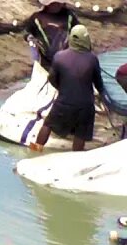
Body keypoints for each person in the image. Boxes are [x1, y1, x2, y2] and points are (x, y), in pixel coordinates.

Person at [31, 24, 106, 152]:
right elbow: (98, 83)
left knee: (48, 124)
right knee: (80, 133)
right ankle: (75, 160)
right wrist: (103, 99)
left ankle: (35, 150)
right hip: (85, 106)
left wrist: (62, 89)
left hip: (64, 103)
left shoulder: (59, 56)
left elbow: (52, 78)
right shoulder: (92, 59)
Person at [24, 0, 81, 72]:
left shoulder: (69, 15)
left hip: (68, 60)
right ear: (47, 4)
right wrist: (29, 37)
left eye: (58, 3)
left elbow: (79, 29)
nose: (56, 5)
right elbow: (27, 32)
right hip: (45, 61)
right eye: (53, 3)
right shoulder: (37, 17)